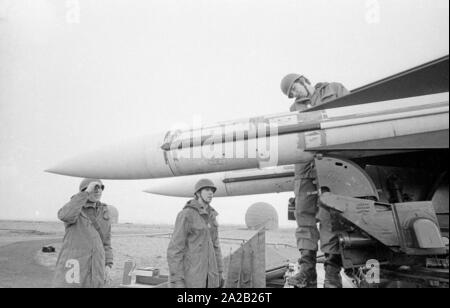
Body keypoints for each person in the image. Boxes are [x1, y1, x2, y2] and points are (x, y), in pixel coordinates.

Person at [280, 74, 350, 288]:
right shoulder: (294, 110)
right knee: (303, 215)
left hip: (331, 161)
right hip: (304, 167)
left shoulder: (334, 90)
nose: (294, 94)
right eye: (290, 93)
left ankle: (331, 274)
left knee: (330, 216)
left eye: (293, 89)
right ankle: (307, 271)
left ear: (303, 80)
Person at [53, 178, 113, 288]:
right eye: (95, 187)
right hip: (75, 267)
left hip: (97, 267)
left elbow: (106, 243)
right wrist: (84, 194)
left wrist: (108, 265)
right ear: (84, 190)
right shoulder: (75, 208)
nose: (98, 191)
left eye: (101, 187)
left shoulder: (104, 211)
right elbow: (65, 215)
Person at [167, 179, 224, 288]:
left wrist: (220, 272)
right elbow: (175, 250)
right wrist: (177, 281)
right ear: (198, 193)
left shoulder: (212, 216)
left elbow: (216, 247)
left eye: (212, 190)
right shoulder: (186, 214)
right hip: (192, 279)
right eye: (207, 190)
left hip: (211, 277)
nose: (211, 193)